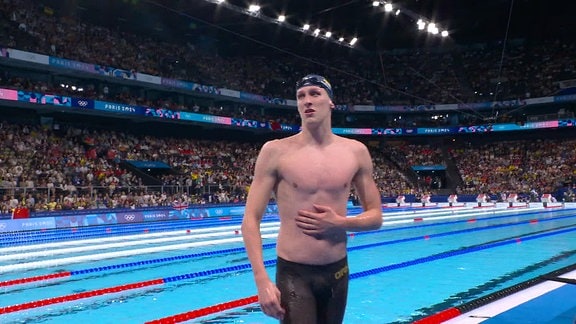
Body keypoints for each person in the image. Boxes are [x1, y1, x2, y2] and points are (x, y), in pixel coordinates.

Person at [241, 74, 383, 323]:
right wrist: (261, 280)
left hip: (337, 271)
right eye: (300, 96)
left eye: (315, 93)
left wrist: (339, 222)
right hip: (294, 272)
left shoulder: (356, 152)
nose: (307, 100)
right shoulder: (275, 151)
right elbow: (250, 220)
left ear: (331, 103)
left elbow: (376, 217)